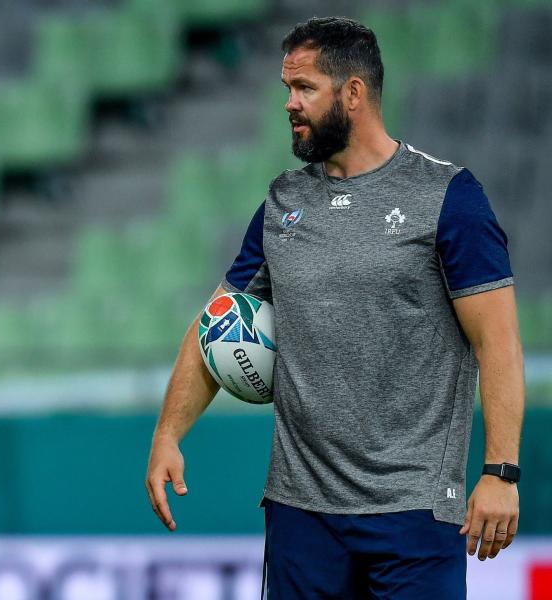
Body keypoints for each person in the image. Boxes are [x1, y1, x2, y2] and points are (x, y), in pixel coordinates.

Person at [145, 17, 523, 598]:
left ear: (354, 92)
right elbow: (216, 320)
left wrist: (500, 473)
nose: (289, 104)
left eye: (305, 89)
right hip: (301, 514)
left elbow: (497, 343)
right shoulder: (281, 203)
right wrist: (169, 434)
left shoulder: (448, 197)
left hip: (415, 512)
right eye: (286, 89)